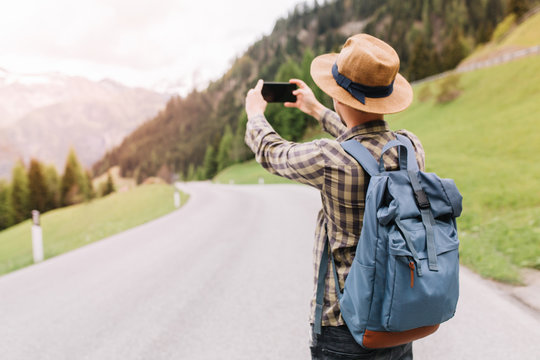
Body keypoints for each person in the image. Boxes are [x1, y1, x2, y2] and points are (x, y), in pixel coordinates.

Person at [244, 34, 425, 359]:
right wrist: (316, 110)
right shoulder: (410, 148)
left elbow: (271, 152)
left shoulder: (329, 158)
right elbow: (363, 140)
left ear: (338, 99)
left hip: (345, 329)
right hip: (400, 320)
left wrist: (256, 114)